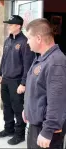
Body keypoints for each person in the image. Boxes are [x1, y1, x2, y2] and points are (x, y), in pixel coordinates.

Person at [23, 18, 66, 149]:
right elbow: (37, 90)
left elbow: (57, 101)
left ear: (38, 38)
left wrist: (48, 131)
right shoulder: (42, 57)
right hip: (36, 124)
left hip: (46, 129)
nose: (27, 41)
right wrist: (27, 110)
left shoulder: (56, 62)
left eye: (29, 38)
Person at [0, 15, 35, 145]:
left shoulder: (24, 42)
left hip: (17, 82)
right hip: (5, 80)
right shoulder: (8, 40)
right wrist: (0, 73)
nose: (8, 27)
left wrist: (23, 83)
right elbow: (4, 59)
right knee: (6, 106)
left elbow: (28, 65)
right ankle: (9, 129)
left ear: (18, 26)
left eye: (11, 25)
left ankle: (20, 134)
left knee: (18, 109)